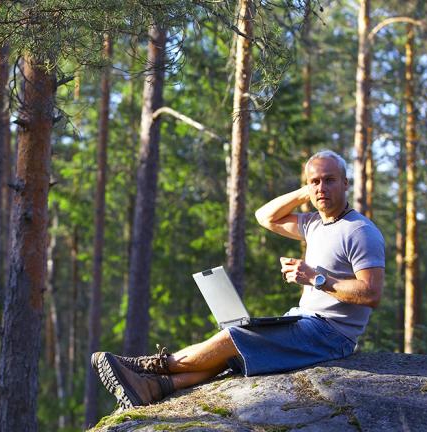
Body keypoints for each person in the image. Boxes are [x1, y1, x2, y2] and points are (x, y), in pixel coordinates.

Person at [92, 149, 385, 409]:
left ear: (346, 183)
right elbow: (265, 216)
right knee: (231, 356)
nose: (322, 187)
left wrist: (317, 279)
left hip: (332, 335)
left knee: (235, 338)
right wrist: (303, 193)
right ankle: (154, 387)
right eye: (315, 181)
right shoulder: (313, 224)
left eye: (330, 180)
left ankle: (149, 367)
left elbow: (371, 294)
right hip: (303, 320)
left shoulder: (359, 231)